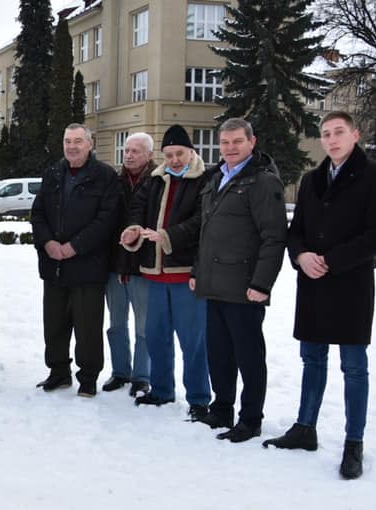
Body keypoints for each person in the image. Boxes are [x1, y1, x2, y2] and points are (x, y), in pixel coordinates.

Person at [263, 111, 376, 480]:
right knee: (312, 359)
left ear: (355, 134)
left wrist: (332, 260)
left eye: (339, 132)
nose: (332, 139)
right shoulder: (312, 179)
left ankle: (354, 442)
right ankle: (305, 428)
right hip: (313, 283)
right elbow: (297, 231)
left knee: (354, 366)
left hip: (349, 283)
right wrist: (301, 255)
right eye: (326, 134)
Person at [192, 118, 287, 443]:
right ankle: (221, 409)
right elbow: (206, 233)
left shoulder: (262, 182)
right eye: (225, 142)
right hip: (213, 284)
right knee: (218, 352)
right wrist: (196, 272)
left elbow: (274, 238)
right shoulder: (216, 178)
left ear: (252, 142)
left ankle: (250, 419)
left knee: (248, 355)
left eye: (237, 141)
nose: (230, 148)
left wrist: (261, 284)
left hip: (245, 287)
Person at [121, 125, 211, 417]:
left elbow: (202, 221)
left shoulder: (204, 180)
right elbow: (137, 207)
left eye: (179, 153)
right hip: (154, 273)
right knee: (156, 335)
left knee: (192, 340)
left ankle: (199, 398)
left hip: (186, 274)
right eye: (169, 154)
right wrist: (133, 229)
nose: (174, 159)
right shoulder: (156, 180)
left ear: (191, 152)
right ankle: (161, 389)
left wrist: (169, 235)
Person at [31, 123, 121, 397]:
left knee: (87, 327)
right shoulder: (53, 173)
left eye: (78, 141)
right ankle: (58, 372)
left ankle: (88, 377)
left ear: (90, 144)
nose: (72, 146)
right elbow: (38, 214)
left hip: (87, 266)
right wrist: (48, 242)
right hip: (54, 265)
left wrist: (74, 246)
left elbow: (107, 220)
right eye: (67, 141)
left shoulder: (105, 176)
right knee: (54, 324)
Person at [102, 132, 156, 397]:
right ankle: (120, 371)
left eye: (136, 151)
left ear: (149, 154)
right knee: (115, 323)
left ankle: (141, 375)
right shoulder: (115, 180)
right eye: (126, 150)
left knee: (144, 326)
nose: (129, 155)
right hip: (115, 264)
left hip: (143, 266)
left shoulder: (158, 180)